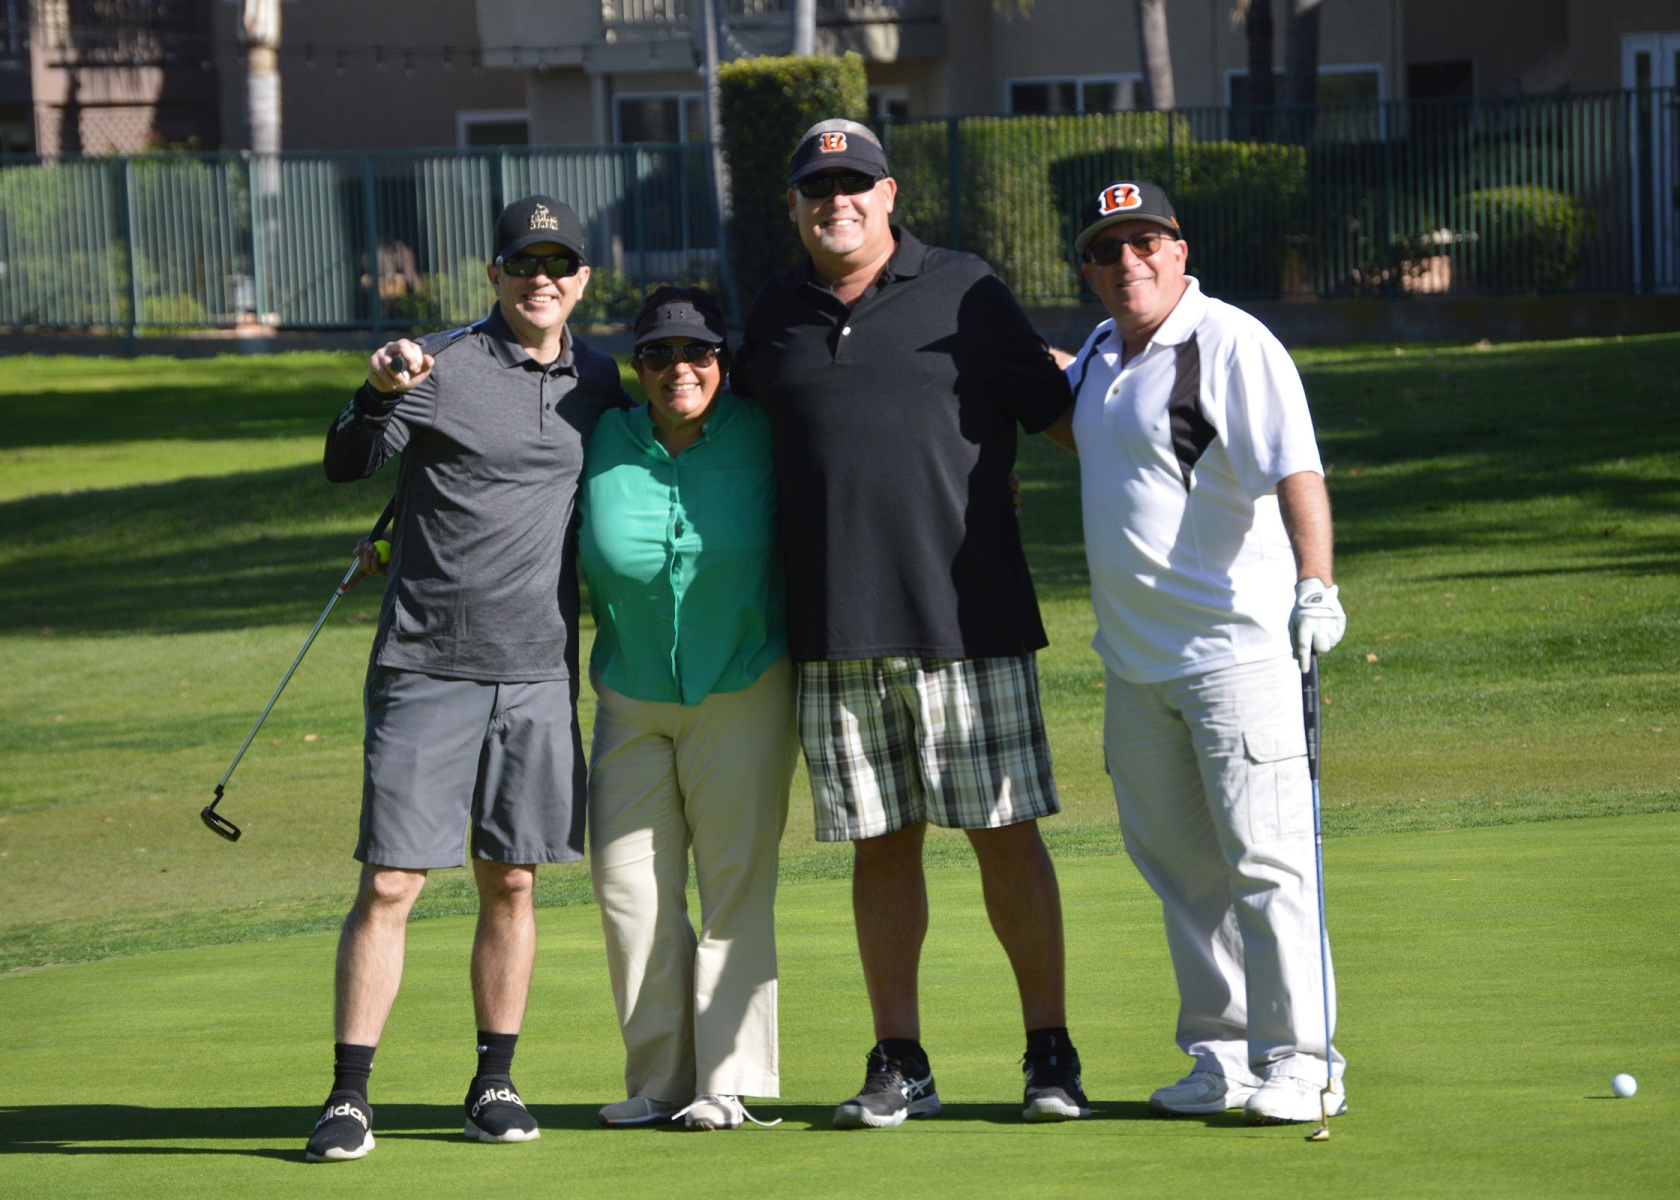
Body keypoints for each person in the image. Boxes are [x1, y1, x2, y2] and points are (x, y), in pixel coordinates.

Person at [730, 119, 1089, 1128]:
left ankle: (1050, 1055)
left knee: (1005, 838)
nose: (835, 201)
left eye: (855, 183)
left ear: (890, 195)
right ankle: (902, 1063)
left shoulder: (965, 288)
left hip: (969, 621)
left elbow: (1069, 419)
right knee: (880, 850)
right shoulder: (775, 312)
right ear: (795, 206)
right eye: (817, 188)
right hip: (834, 628)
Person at [306, 195, 631, 1162]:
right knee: (391, 882)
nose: (541, 279)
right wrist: (376, 394)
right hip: (427, 664)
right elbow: (347, 462)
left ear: (582, 280)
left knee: (513, 881)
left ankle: (494, 1081)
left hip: (536, 674)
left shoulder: (599, 381)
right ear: (494, 275)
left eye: (559, 264)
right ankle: (349, 1095)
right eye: (523, 264)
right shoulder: (439, 365)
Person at [1061, 180, 1349, 1124]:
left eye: (1146, 242)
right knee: (1183, 873)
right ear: (1090, 270)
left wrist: (1317, 583)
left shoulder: (1229, 341)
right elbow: (1084, 421)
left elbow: (1294, 467)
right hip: (1134, 667)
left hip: (1237, 655)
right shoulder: (1101, 352)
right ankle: (1223, 1055)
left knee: (1267, 865)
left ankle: (1304, 1061)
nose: (1128, 262)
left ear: (1180, 250)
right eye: (1108, 249)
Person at [579, 287, 799, 1132]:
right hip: (631, 693)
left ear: (723, 361)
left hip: (743, 685)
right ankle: (660, 1081)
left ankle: (727, 1083)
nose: (680, 368)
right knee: (627, 890)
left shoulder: (763, 432)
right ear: (637, 366)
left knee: (735, 883)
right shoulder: (600, 437)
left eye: (698, 352)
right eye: (660, 354)